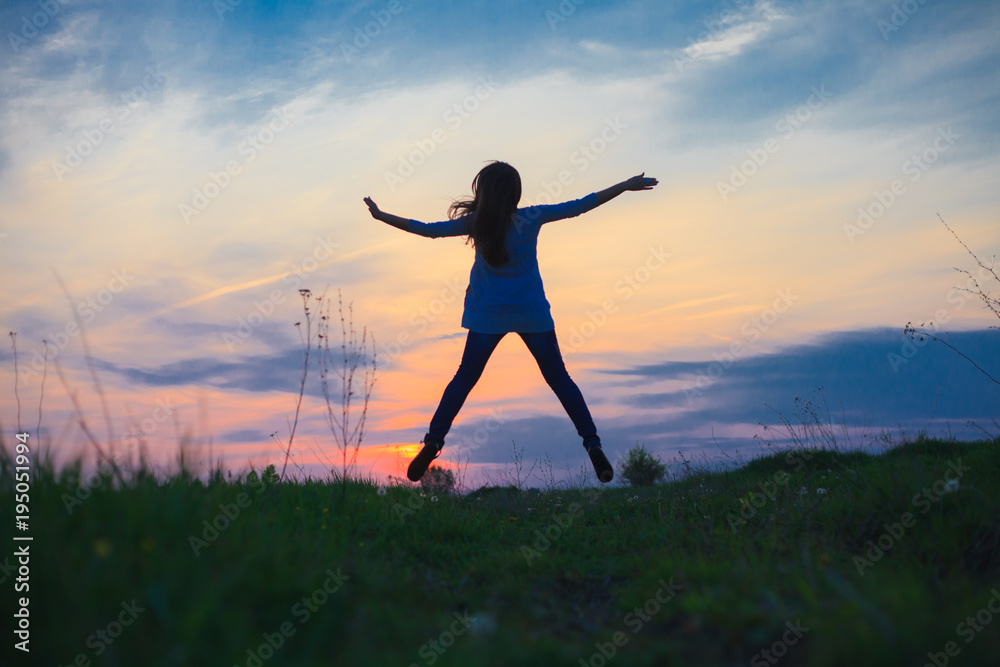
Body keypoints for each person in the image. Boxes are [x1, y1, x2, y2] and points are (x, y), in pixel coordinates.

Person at [364, 161, 658, 484]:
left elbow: (427, 229)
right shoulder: (532, 217)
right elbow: (580, 205)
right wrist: (624, 186)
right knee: (559, 379)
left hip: (488, 316)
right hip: (531, 313)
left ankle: (433, 441)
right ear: (516, 193)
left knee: (464, 378)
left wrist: (382, 216)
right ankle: (592, 443)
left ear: (484, 193)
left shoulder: (476, 224)